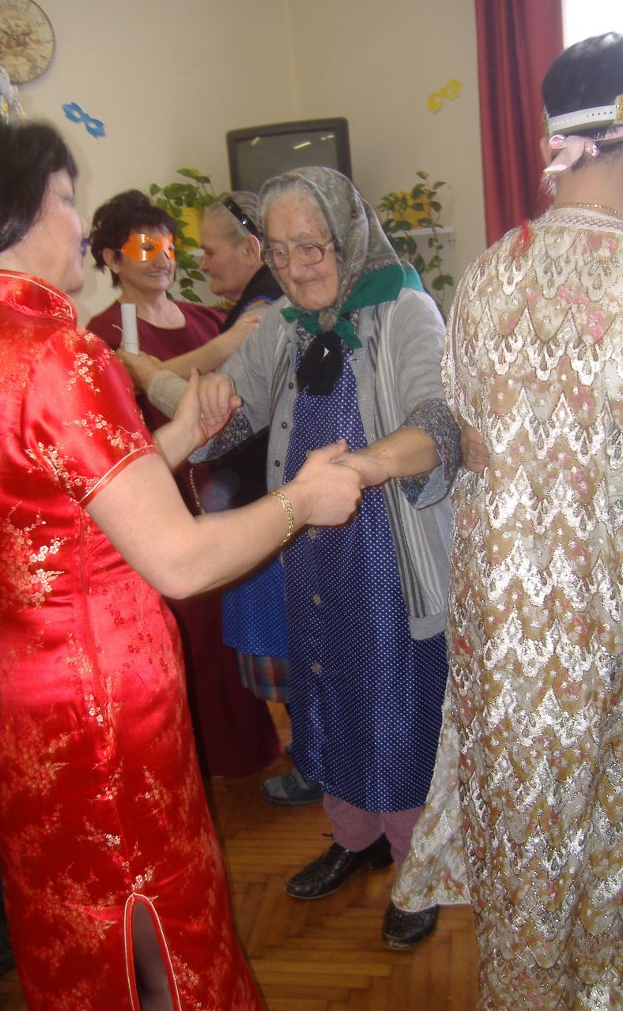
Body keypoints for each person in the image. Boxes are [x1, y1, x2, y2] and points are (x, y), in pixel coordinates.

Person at [0, 10, 362, 1011]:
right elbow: (175, 558)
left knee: (67, 919)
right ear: (19, 209)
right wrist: (302, 498)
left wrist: (169, 440)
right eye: (65, 197)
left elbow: (46, 504)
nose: (77, 219)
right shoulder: (58, 352)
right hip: (98, 708)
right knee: (153, 924)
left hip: (1, 697)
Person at [152, 166, 460, 946]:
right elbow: (228, 417)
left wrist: (361, 466)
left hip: (387, 554)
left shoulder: (405, 309)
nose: (294, 269)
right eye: (279, 251)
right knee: (324, 694)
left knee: (397, 709)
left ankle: (417, 868)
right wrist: (200, 403)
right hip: (311, 547)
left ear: (348, 236)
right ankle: (355, 839)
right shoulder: (285, 325)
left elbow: (438, 424)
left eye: (311, 247)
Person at [392, 31, 623, 1009]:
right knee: (599, 847)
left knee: (526, 852)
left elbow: (462, 444)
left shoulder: (485, 275)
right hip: (601, 629)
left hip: (503, 635)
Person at [123, 192, 323, 804]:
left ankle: (319, 761)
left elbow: (225, 406)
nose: (199, 263)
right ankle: (314, 755)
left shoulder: (267, 313)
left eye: (208, 251)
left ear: (251, 249)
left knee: (297, 649)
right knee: (288, 649)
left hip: (268, 509)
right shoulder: (240, 313)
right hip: (249, 506)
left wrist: (146, 372)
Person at [87, 189, 280, 778]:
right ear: (112, 258)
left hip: (223, 491)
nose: (162, 259)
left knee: (229, 623)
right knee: (186, 628)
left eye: (168, 246)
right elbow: (121, 398)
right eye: (144, 247)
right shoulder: (101, 332)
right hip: (157, 498)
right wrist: (221, 349)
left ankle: (249, 747)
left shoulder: (203, 316)